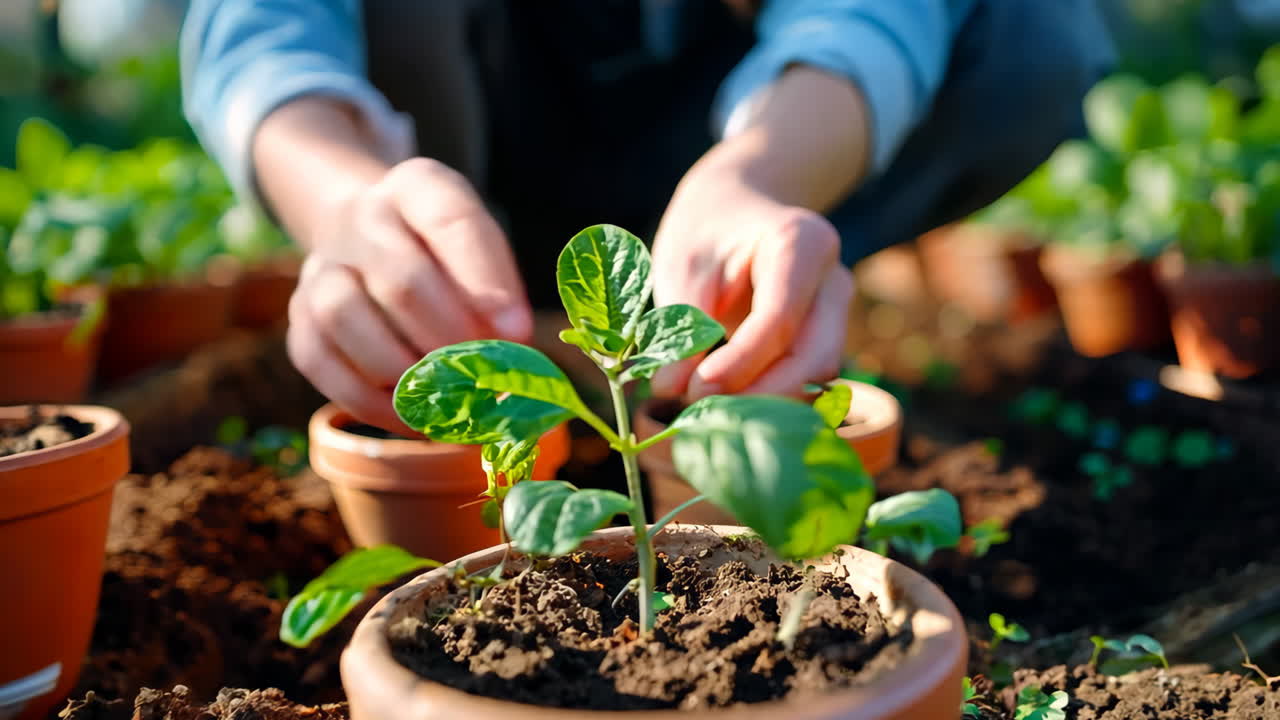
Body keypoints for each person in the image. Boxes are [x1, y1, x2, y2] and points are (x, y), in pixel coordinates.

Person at [181, 0, 1112, 432]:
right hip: (469, 187)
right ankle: (462, 317)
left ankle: (750, 317)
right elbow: (260, 35)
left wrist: (762, 174)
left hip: (711, 150)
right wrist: (347, 203)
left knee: (1033, 33)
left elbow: (871, 14)